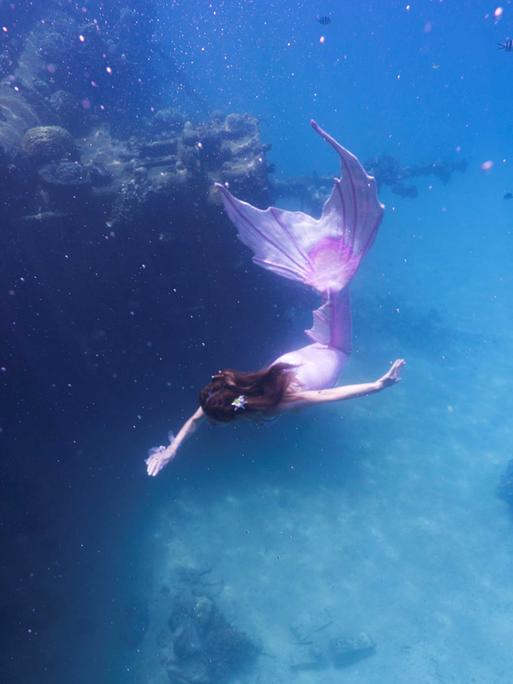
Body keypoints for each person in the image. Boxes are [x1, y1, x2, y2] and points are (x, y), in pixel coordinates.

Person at [146, 120, 405, 477]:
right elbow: (199, 416)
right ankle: (327, 266)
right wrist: (171, 450)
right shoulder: (234, 384)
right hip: (312, 349)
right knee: (332, 286)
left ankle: (335, 249)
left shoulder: (281, 401)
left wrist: (379, 385)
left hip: (335, 349)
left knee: (338, 282)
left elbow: (331, 396)